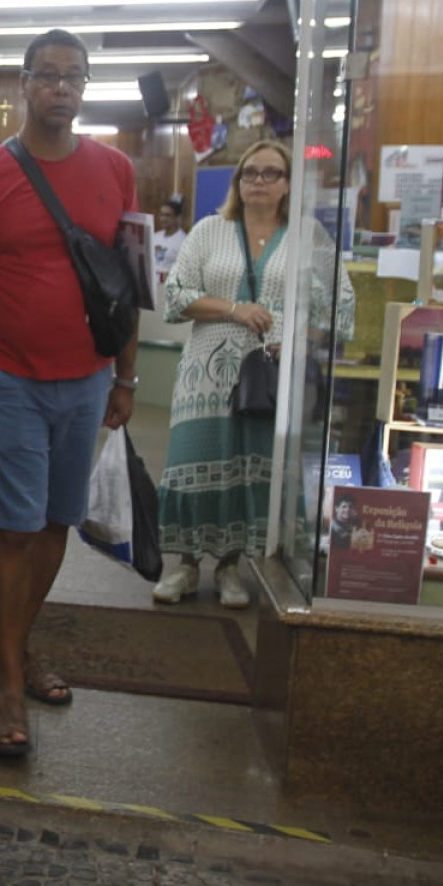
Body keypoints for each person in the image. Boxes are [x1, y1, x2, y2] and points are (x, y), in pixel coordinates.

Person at [0, 29, 139, 760]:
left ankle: (15, 645)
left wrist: (125, 375)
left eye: (74, 77)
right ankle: (9, 681)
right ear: (23, 86)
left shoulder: (117, 171)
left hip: (88, 377)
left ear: (85, 87)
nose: (61, 88)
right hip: (7, 375)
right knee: (13, 526)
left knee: (55, 524)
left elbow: (129, 286)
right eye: (47, 75)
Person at [153, 139, 354, 608]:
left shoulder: (308, 237)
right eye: (250, 173)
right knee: (193, 463)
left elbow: (339, 304)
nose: (259, 182)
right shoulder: (209, 230)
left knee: (249, 470)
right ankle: (183, 565)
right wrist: (234, 308)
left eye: (271, 173)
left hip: (271, 375)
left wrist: (307, 339)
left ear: (288, 184)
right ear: (237, 181)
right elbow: (176, 297)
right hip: (207, 375)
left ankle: (230, 569)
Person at [152, 197, 188, 283]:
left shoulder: (185, 241)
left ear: (177, 218)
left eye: (167, 215)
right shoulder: (154, 236)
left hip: (168, 286)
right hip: (150, 284)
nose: (163, 219)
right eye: (162, 215)